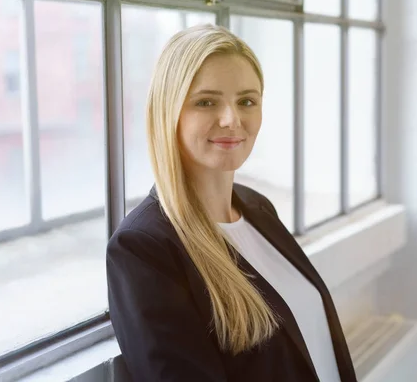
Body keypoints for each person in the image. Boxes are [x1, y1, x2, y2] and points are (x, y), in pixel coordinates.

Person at [106, 24, 357, 382]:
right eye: (206, 102)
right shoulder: (144, 248)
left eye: (246, 101)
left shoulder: (257, 208)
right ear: (169, 112)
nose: (231, 119)